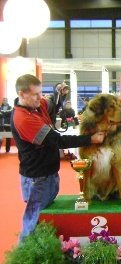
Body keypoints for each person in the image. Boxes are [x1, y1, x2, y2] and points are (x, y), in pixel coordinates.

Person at [10, 74, 105, 241]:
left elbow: (51, 102)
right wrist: (90, 139)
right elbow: (57, 140)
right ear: (22, 94)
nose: (41, 98)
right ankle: (22, 260)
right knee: (32, 222)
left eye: (41, 92)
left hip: (46, 175)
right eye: (35, 94)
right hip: (38, 178)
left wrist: (60, 93)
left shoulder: (36, 106)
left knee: (41, 219)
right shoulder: (23, 118)